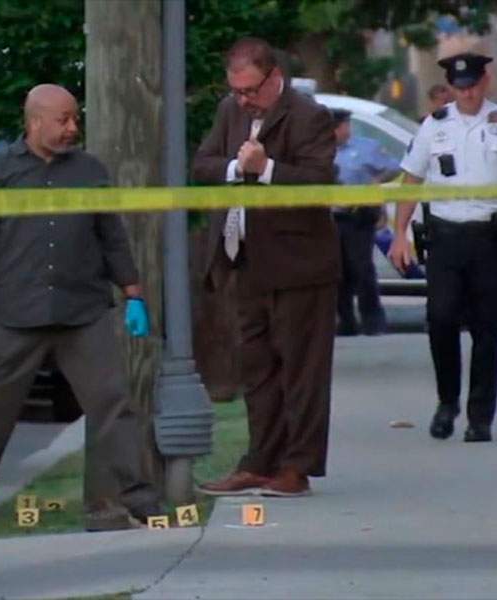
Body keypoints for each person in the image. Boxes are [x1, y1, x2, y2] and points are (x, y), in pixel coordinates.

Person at [0, 84, 159, 529]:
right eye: (63, 120)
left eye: (75, 118)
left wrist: (133, 294)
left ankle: (142, 500)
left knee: (113, 404)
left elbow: (112, 237)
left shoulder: (90, 171)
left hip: (83, 312)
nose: (72, 128)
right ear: (35, 122)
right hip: (12, 313)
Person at [192, 37, 340, 497]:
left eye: (251, 90)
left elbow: (319, 183)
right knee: (256, 370)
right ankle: (259, 462)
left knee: (302, 373)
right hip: (244, 260)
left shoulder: (309, 116)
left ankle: (297, 467)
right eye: (236, 91)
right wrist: (237, 169)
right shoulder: (229, 112)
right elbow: (203, 164)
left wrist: (267, 167)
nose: (243, 100)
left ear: (274, 77)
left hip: (300, 266)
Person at [388, 52, 497, 442]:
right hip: (446, 239)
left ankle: (480, 416)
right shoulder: (434, 126)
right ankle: (447, 403)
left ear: (485, 82)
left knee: (487, 328)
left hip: (491, 241)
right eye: (460, 87)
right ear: (450, 87)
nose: (467, 94)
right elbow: (410, 181)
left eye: (473, 85)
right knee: (441, 319)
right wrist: (399, 234)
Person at [331, 108, 401, 336]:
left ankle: (373, 322)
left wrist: (376, 180)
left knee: (362, 271)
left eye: (337, 127)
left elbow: (394, 167)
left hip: (358, 217)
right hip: (331, 219)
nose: (333, 132)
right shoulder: (320, 150)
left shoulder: (367, 148)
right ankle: (345, 322)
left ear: (346, 126)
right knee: (337, 273)